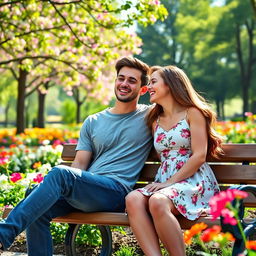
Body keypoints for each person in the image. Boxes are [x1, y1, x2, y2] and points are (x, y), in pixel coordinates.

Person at [0, 57, 153, 256]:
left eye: (132, 81)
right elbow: (80, 165)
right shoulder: (93, 121)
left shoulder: (149, 116)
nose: (124, 84)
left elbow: (178, 105)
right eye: (121, 78)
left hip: (116, 192)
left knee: (60, 174)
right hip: (88, 191)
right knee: (35, 196)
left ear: (143, 89)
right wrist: (59, 187)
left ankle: (3, 235)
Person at [125, 65, 223, 256]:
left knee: (157, 202)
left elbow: (199, 155)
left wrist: (169, 183)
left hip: (194, 180)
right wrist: (165, 183)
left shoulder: (192, 113)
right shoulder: (155, 120)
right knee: (133, 198)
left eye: (153, 82)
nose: (149, 86)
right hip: (166, 181)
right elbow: (164, 157)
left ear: (170, 84)